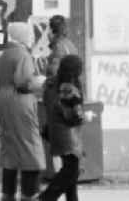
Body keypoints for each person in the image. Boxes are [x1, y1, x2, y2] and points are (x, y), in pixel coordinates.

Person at [0, 21, 47, 201]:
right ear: (22, 36)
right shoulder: (23, 54)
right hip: (20, 102)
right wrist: (40, 81)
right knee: (30, 147)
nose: (32, 38)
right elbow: (24, 82)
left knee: (10, 149)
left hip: (4, 100)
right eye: (30, 34)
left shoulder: (5, 54)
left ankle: (7, 194)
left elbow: (0, 77)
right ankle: (29, 194)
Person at [39, 54, 91, 201]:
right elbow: (74, 115)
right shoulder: (69, 88)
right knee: (71, 170)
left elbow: (49, 105)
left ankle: (72, 199)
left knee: (70, 170)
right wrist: (83, 116)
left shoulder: (51, 83)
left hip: (54, 130)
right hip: (68, 135)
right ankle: (46, 197)